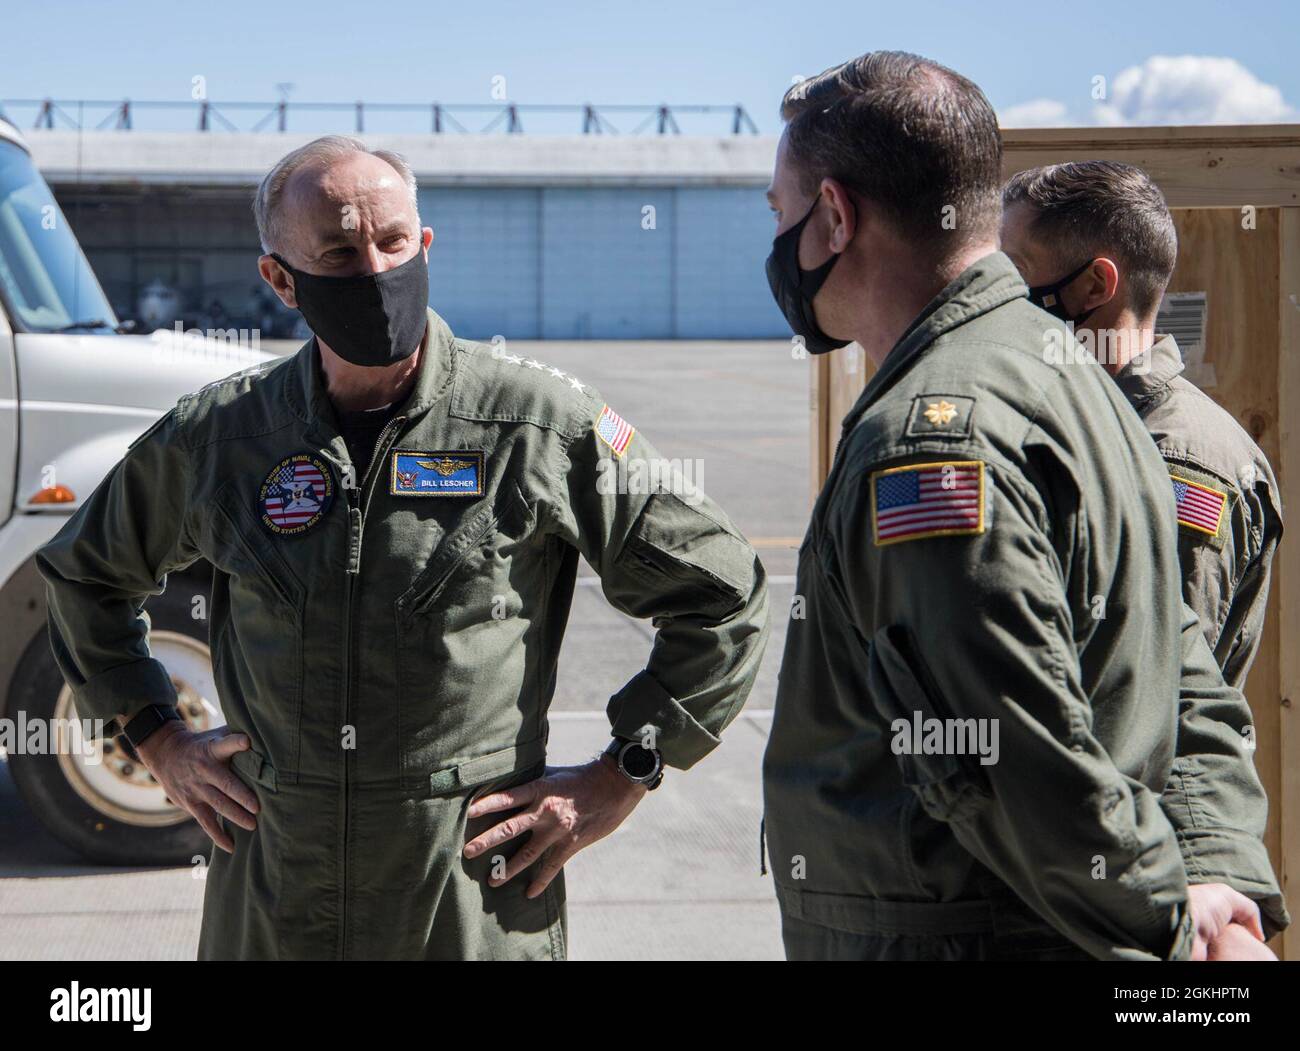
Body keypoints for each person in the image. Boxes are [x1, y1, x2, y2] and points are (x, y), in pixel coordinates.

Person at [37, 135, 769, 960]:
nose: (376, 272)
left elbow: (721, 592)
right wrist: (155, 734)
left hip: (466, 890)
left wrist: (626, 768)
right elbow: (83, 574)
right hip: (277, 887)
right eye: (340, 253)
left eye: (393, 242)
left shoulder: (536, 424)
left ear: (425, 246)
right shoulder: (223, 436)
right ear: (280, 278)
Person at [759, 50, 1276, 961]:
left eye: (782, 214)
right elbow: (1181, 668)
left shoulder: (930, 436)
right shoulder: (1078, 382)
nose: (778, 245)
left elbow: (999, 751)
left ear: (835, 216)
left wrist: (1171, 916)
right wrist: (1217, 876)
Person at [1000, 161, 1287, 941]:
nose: (995, 304)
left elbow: (1155, 705)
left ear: (1093, 287)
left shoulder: (1184, 463)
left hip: (1135, 887)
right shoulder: (1069, 422)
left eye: (1014, 276)